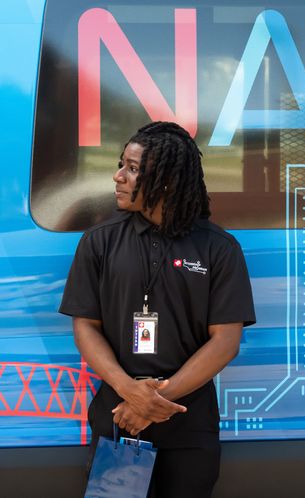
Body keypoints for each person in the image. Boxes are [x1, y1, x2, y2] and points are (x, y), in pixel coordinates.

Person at [59, 121, 256, 497]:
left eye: (132, 169)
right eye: (122, 165)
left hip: (188, 418)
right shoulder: (99, 241)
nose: (118, 177)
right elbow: (86, 326)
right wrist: (129, 391)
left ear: (165, 180)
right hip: (119, 416)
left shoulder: (219, 248)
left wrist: (155, 400)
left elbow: (226, 341)